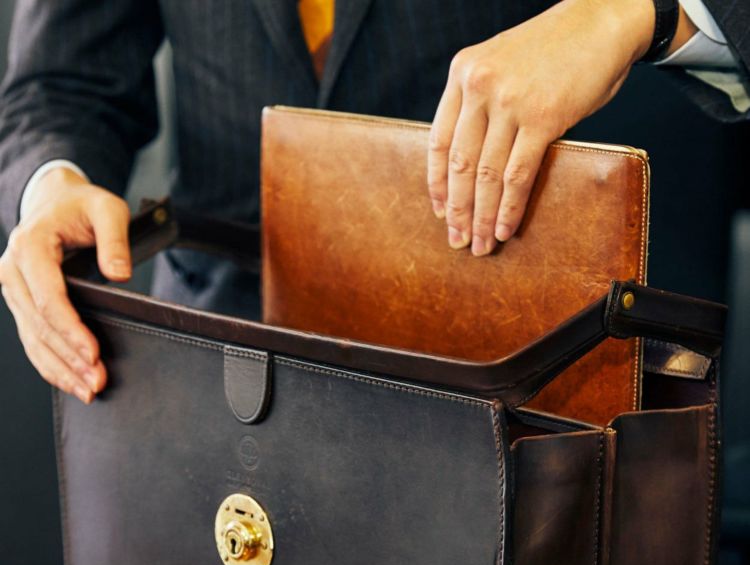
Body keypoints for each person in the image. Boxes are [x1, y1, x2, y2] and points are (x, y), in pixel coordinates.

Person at [0, 0, 747, 406]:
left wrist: (636, 10)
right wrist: (48, 183)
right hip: (216, 362)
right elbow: (60, 82)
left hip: (510, 384)